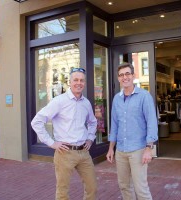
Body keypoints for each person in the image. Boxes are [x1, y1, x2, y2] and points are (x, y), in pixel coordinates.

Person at [31, 67, 98, 200]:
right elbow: (36, 121)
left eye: (81, 80)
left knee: (92, 187)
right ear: (69, 82)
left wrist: (90, 139)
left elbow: (93, 122)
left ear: (84, 83)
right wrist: (52, 143)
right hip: (65, 152)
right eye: (76, 80)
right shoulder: (59, 101)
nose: (79, 83)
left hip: (84, 152)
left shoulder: (86, 103)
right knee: (63, 191)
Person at [106, 62, 158, 200]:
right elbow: (114, 124)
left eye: (127, 74)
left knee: (141, 188)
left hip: (138, 150)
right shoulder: (116, 99)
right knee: (124, 186)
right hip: (121, 151)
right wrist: (111, 148)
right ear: (118, 78)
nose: (125, 77)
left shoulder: (144, 96)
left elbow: (152, 123)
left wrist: (149, 148)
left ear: (133, 76)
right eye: (121, 75)